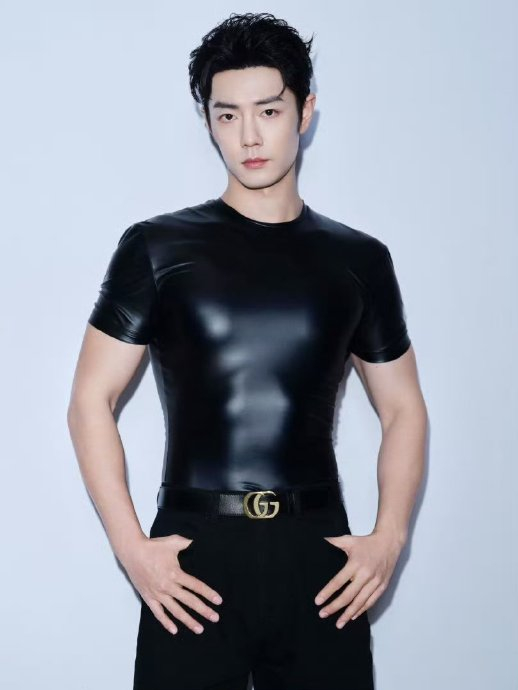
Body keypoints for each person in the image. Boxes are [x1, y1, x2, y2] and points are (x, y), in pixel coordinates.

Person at [67, 11, 427, 690]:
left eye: (269, 110)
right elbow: (91, 399)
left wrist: (389, 539)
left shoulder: (360, 260)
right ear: (208, 121)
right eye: (227, 115)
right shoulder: (157, 247)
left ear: (305, 111)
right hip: (194, 555)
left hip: (319, 555)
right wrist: (132, 548)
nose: (250, 136)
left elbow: (404, 407)